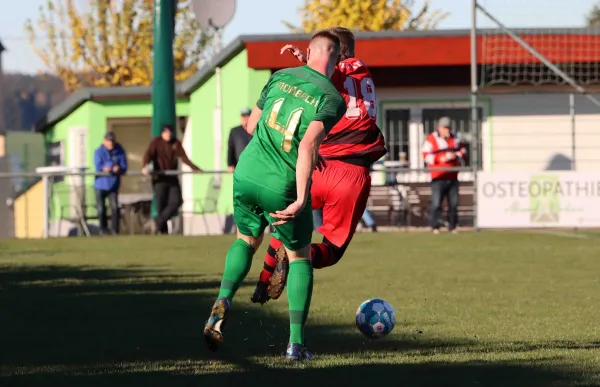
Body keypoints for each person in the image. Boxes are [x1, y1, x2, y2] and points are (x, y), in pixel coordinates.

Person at [203, 30, 345, 361]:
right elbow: (307, 143)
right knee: (299, 257)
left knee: (245, 242)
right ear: (335, 59)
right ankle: (296, 344)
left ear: (308, 53)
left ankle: (223, 300)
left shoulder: (280, 75)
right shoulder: (332, 98)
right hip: (281, 184)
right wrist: (299, 198)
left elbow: (253, 126)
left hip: (247, 172)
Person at [251, 27, 387, 304]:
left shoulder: (334, 72)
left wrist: (305, 60)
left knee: (284, 224)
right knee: (331, 250)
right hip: (351, 173)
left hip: (317, 166)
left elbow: (325, 75)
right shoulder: (363, 71)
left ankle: (263, 282)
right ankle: (295, 259)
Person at [142, 124, 203, 234]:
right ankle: (162, 231)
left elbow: (184, 157)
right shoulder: (156, 142)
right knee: (161, 204)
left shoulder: (176, 143)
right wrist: (145, 166)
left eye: (170, 132)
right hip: (159, 178)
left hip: (172, 178)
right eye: (166, 132)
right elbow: (148, 155)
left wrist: (195, 168)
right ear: (162, 133)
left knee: (177, 201)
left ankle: (158, 222)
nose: (168, 134)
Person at [421, 116, 466, 234]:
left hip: (452, 176)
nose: (447, 130)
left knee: (454, 204)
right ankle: (435, 226)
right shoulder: (431, 139)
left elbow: (463, 151)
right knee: (436, 203)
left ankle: (453, 227)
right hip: (438, 177)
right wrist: (440, 159)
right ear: (439, 128)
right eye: (445, 128)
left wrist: (456, 155)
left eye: (449, 128)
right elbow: (425, 155)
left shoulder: (455, 138)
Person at [93, 132, 127, 235]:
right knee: (101, 208)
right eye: (108, 140)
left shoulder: (120, 151)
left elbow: (124, 166)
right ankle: (103, 230)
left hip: (113, 185)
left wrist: (119, 168)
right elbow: (98, 165)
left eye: (112, 140)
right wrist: (108, 167)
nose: (110, 143)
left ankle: (115, 231)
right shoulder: (98, 152)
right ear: (104, 141)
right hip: (100, 185)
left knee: (115, 208)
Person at [227, 108, 254, 172]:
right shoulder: (235, 131)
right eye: (243, 118)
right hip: (239, 166)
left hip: (254, 165)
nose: (245, 120)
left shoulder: (256, 130)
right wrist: (230, 164)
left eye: (247, 118)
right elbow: (231, 148)